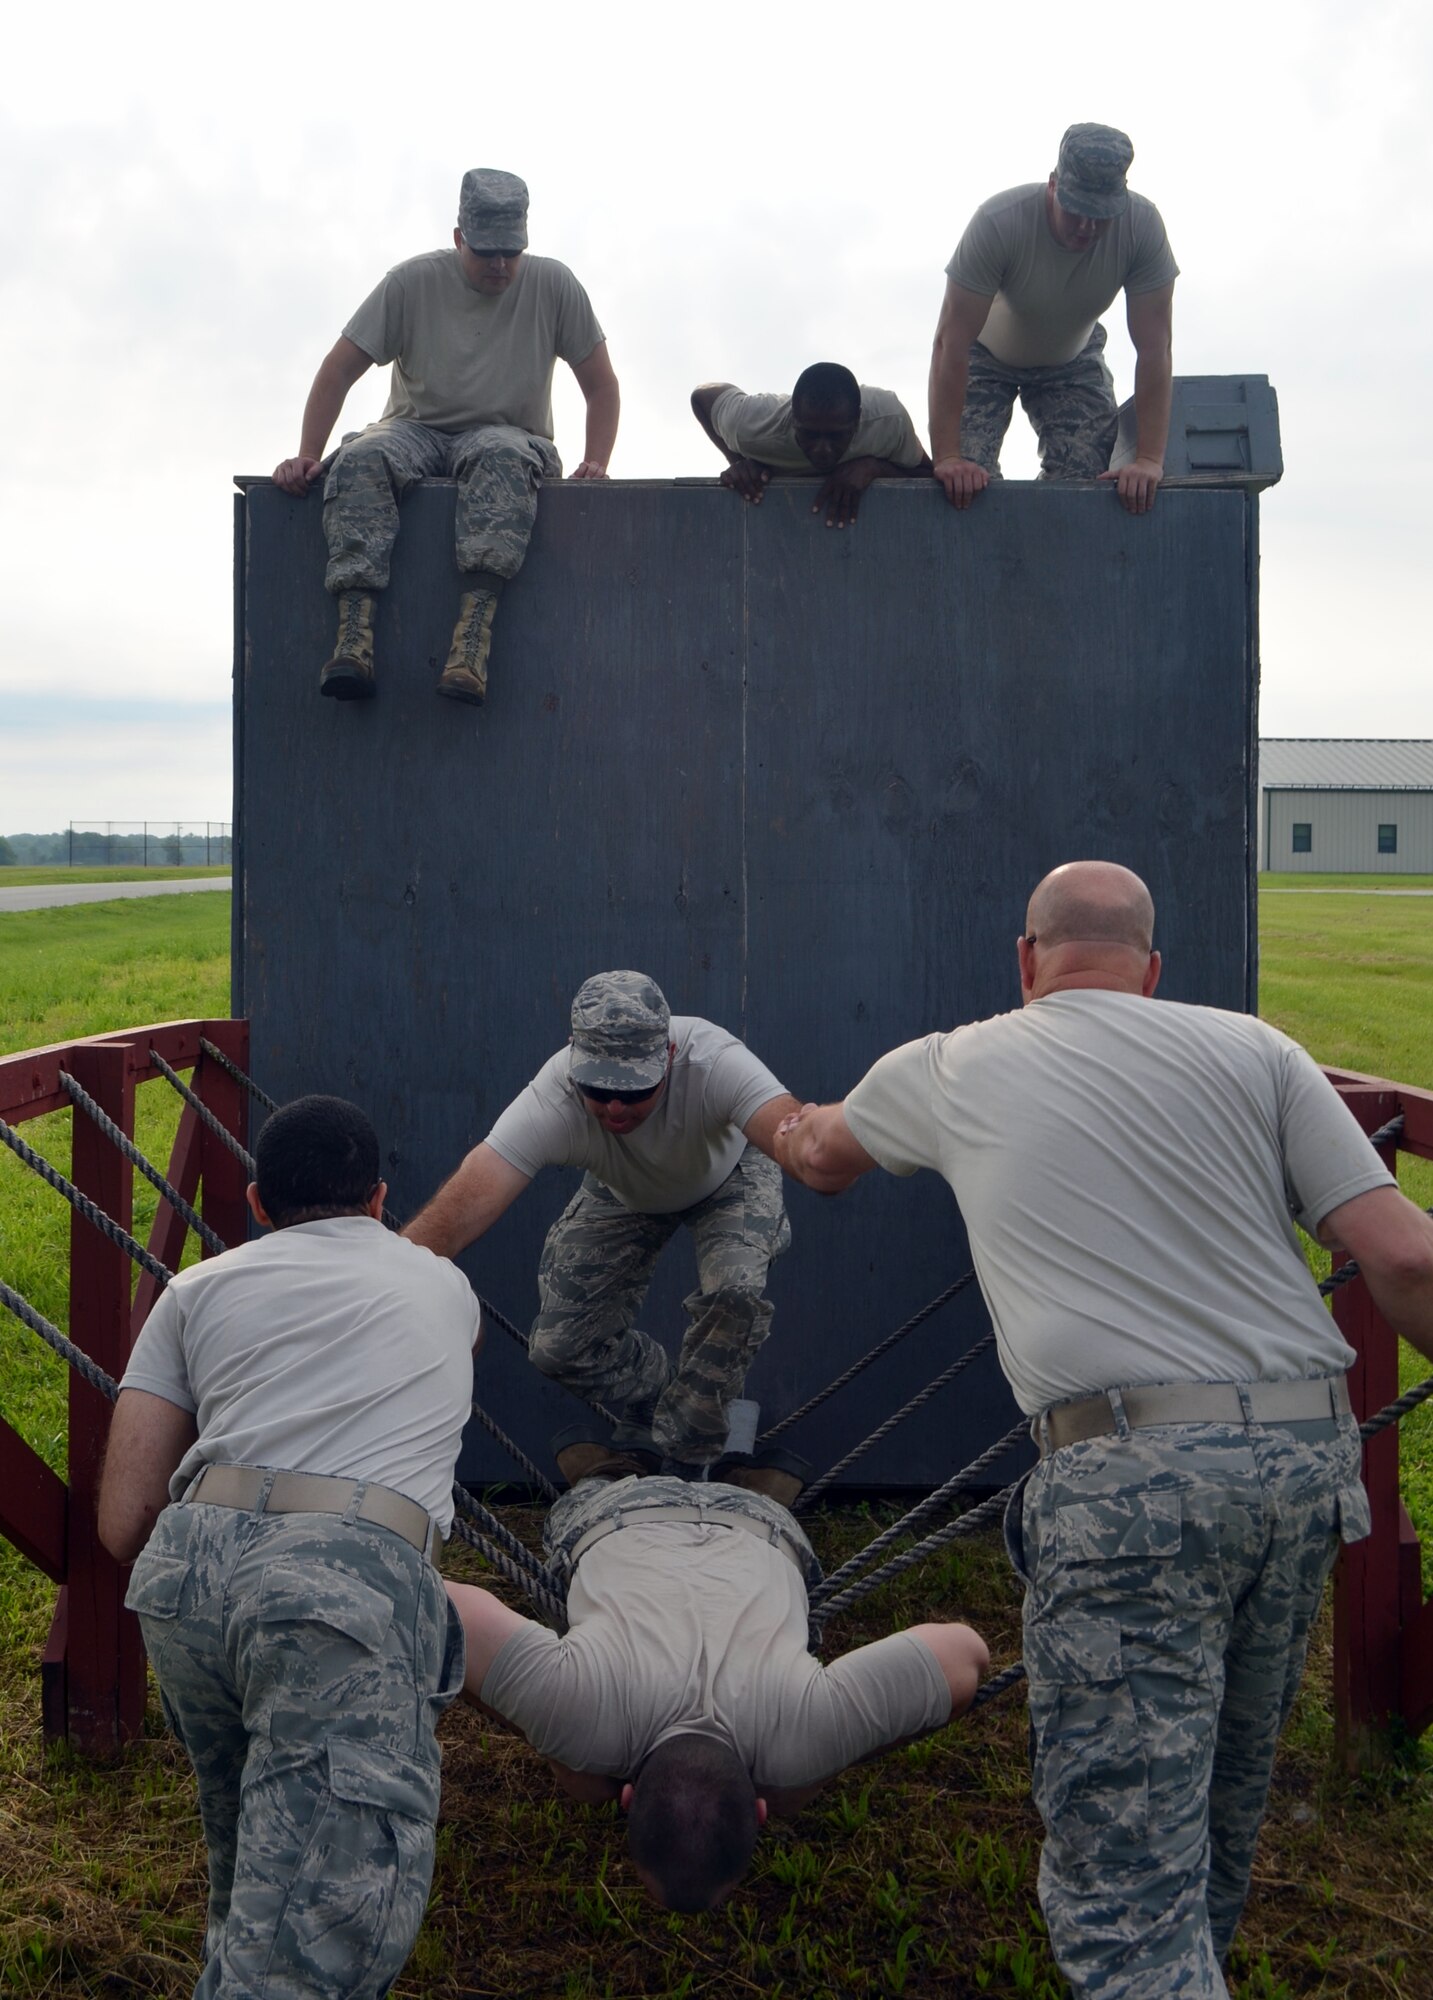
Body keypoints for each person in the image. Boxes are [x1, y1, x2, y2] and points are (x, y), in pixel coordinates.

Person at [773, 860, 1433, 1997]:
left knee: (1122, 1888)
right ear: (1152, 969)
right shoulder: (1256, 1048)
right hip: (1301, 1466)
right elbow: (1406, 1252)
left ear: (1024, 962)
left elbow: (821, 1156)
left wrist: (775, 1120)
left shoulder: (949, 1061)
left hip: (1131, 1481)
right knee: (1218, 1805)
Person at [97, 1095, 482, 2000]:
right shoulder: (443, 1286)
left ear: (257, 1203)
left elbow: (124, 1518)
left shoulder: (194, 1290)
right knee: (317, 1932)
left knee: (254, 1870)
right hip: (341, 1580)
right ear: (381, 1199)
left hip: (189, 1575)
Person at [445, 1437, 989, 1910]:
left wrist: (822, 1755)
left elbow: (965, 1657)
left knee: (632, 1497)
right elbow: (452, 1609)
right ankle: (608, 1471)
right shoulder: (577, 1709)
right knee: (584, 1502)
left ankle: (709, 1477)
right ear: (630, 1799)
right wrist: (551, 1731)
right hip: (624, 1514)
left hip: (761, 1525)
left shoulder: (805, 1731)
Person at [403, 970, 802, 1473]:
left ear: (670, 1057)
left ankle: (690, 1452)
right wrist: (389, 1270)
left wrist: (821, 1145)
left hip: (729, 1172)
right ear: (573, 1056)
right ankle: (665, 1402)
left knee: (736, 1291)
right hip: (625, 1186)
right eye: (598, 1089)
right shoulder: (554, 1094)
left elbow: (792, 1129)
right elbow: (470, 1196)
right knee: (558, 1348)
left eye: (636, 1091)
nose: (615, 1107)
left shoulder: (714, 1060)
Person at [272, 168, 620, 706]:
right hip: (417, 429)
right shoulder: (412, 282)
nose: (501, 265)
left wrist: (597, 461)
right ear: (459, 238)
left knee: (502, 454)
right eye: (486, 252)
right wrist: (306, 456)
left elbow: (600, 384)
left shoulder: (553, 285)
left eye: (512, 251)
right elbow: (339, 368)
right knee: (363, 455)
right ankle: (354, 635)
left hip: (509, 433)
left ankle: (472, 640)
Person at [929, 125, 1177, 516]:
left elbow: (1154, 348)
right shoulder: (999, 222)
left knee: (1085, 485)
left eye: (1101, 216)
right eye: (1076, 210)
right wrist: (945, 456)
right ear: (1052, 185)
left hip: (1072, 361)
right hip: (983, 358)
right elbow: (950, 343)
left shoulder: (1142, 228)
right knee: (964, 482)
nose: (1086, 228)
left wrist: (1149, 459)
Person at [691, 362, 930, 527]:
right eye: (809, 434)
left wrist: (874, 468)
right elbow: (701, 396)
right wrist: (740, 462)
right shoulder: (750, 427)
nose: (822, 449)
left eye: (836, 436)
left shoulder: (887, 420)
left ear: (857, 421)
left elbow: (927, 477)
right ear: (794, 419)